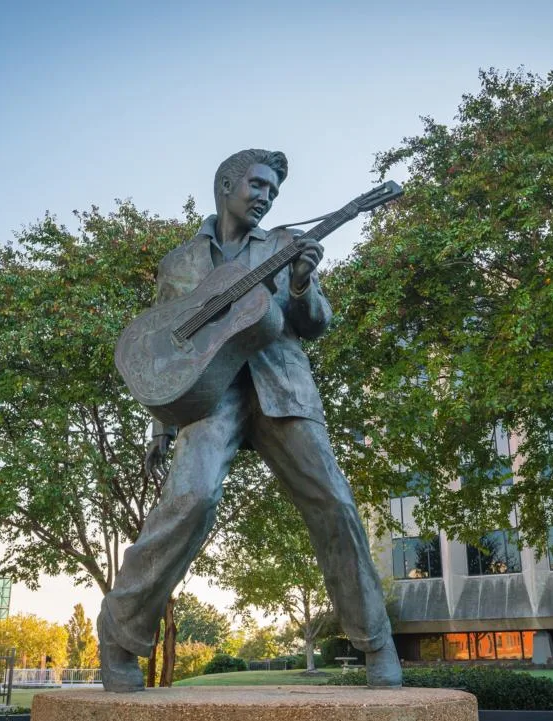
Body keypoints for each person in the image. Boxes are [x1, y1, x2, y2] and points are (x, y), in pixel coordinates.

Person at [98, 149, 401, 690]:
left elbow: (316, 323)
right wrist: (161, 427)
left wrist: (304, 284)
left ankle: (376, 641)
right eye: (258, 185)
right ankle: (118, 634)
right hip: (210, 398)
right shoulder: (179, 264)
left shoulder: (283, 245)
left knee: (332, 500)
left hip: (282, 387)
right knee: (189, 500)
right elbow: (165, 347)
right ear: (226, 184)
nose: (265, 196)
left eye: (274, 192)